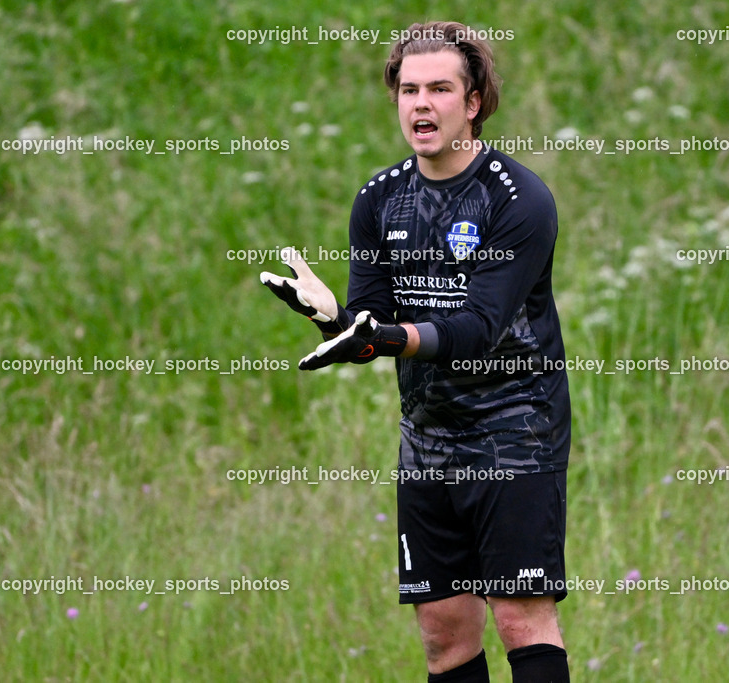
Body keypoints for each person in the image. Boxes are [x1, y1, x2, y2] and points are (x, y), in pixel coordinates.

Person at [261, 21, 571, 682]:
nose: (421, 104)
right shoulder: (379, 199)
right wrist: (336, 319)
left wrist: (379, 336)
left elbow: (476, 328)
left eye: (439, 88)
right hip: (427, 440)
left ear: (474, 102)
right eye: (408, 90)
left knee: (520, 615)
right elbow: (375, 323)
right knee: (442, 630)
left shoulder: (518, 201)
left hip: (517, 430)